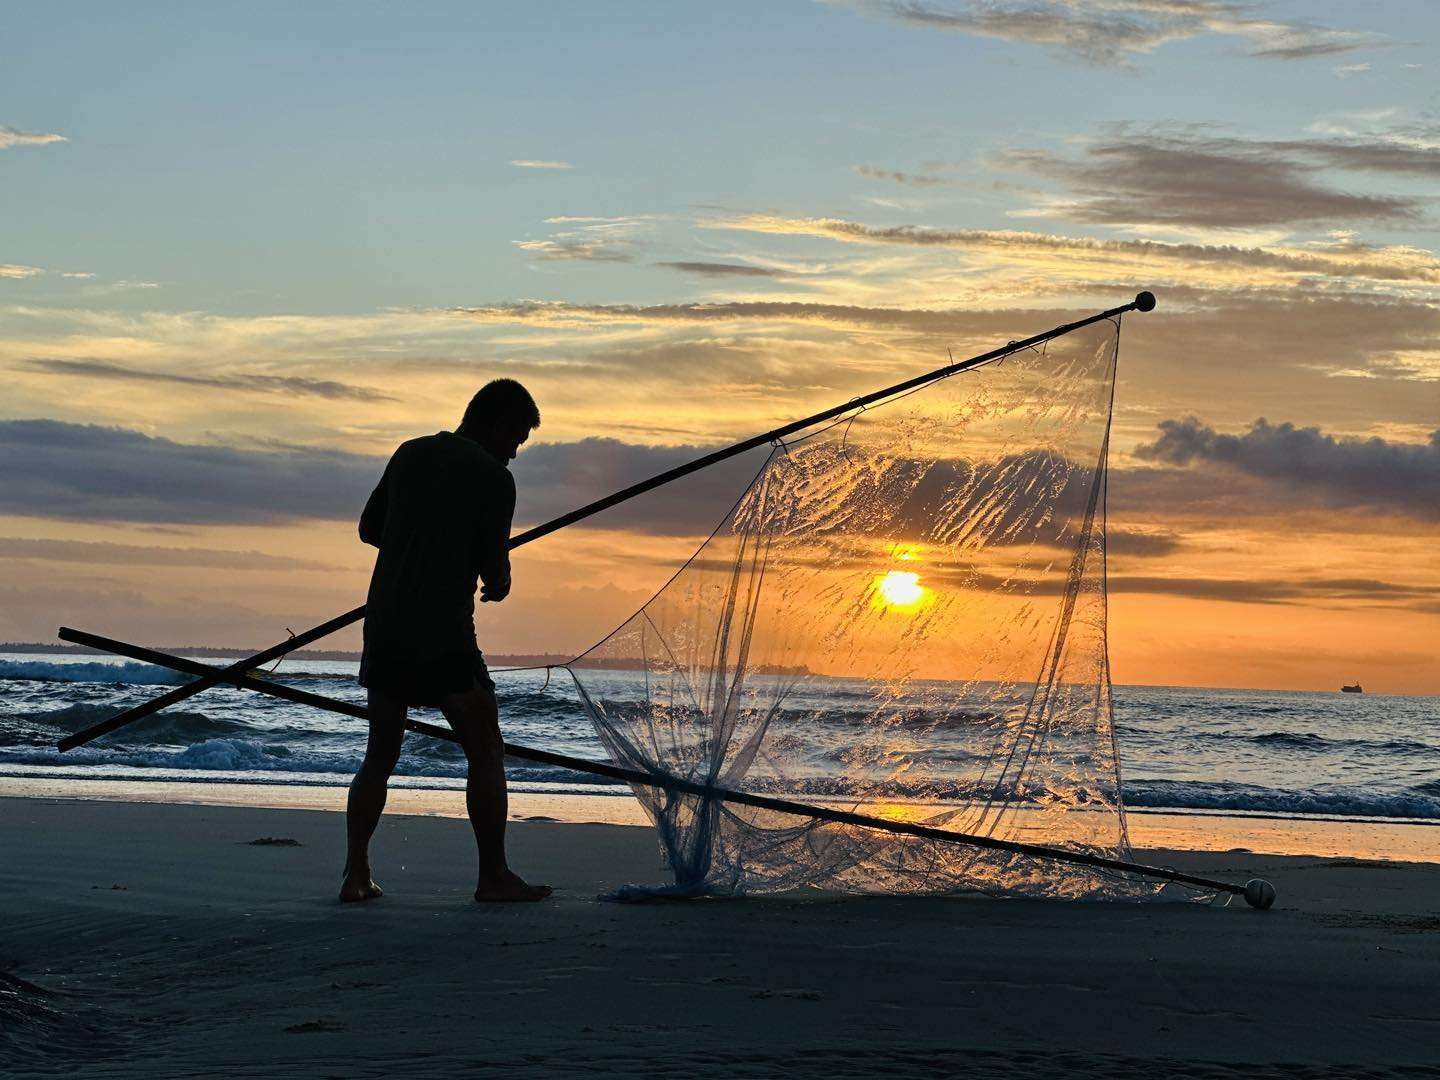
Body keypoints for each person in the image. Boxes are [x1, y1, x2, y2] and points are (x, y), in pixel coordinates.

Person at [340, 378, 552, 904]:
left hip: (386, 625)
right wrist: (497, 580)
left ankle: (356, 874)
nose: (514, 454)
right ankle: (493, 875)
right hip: (444, 633)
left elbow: (371, 528)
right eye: (517, 440)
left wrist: (421, 535)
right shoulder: (495, 481)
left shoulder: (410, 454)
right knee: (485, 747)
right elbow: (494, 572)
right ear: (497, 425)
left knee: (379, 755)